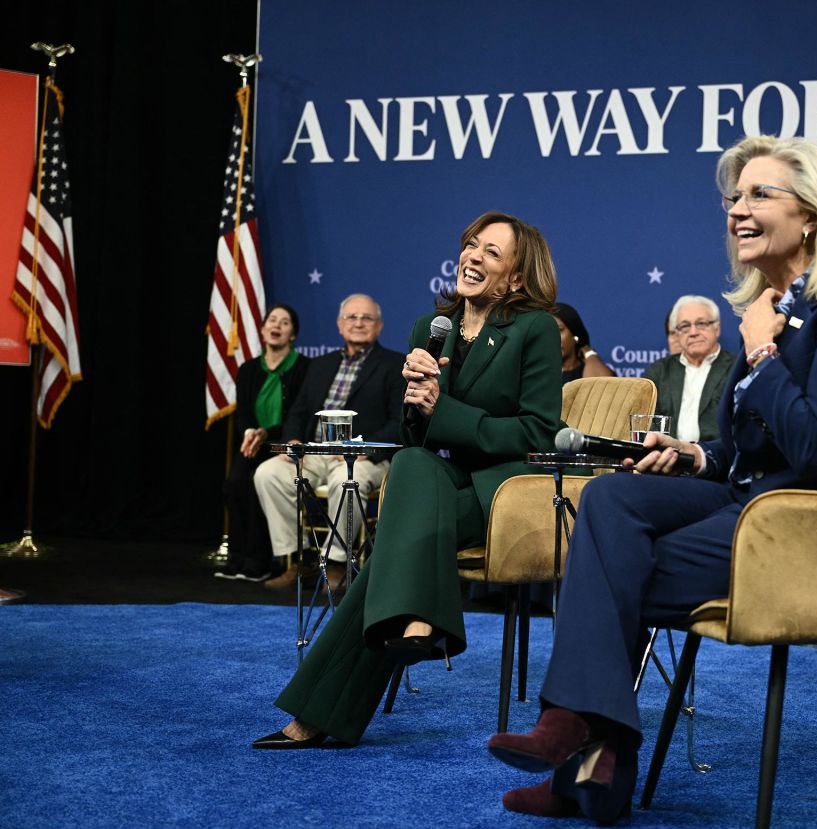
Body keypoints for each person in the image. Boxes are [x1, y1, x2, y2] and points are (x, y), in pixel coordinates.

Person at [486, 135, 817, 824]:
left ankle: (582, 744)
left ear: (812, 215)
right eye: (733, 197)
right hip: (760, 500)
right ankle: (590, 749)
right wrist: (694, 454)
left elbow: (815, 443)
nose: (737, 208)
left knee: (612, 570)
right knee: (612, 497)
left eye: (758, 194)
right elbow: (754, 446)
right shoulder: (782, 307)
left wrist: (763, 349)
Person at [252, 211, 562, 748]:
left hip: (499, 492)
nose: (472, 256)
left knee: (396, 547)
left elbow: (538, 430)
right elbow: (417, 438)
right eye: (470, 245)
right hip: (433, 480)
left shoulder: (532, 329)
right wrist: (418, 409)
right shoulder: (429, 329)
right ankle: (417, 622)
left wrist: (442, 408)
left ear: (515, 276)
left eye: (491, 251)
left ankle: (318, 714)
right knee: (413, 464)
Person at [253, 294, 404, 591]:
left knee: (347, 481)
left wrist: (365, 448)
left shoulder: (394, 365)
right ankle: (301, 560)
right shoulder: (320, 365)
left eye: (366, 318)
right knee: (269, 474)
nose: (358, 323)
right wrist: (293, 440)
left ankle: (336, 565)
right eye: (351, 317)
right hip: (316, 452)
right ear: (339, 325)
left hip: (363, 456)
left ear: (380, 326)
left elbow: (399, 424)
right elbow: (297, 411)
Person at [215, 304, 310, 582]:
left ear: (293, 334)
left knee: (260, 483)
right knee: (234, 484)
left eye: (284, 322)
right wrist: (249, 433)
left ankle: (259, 562)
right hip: (253, 442)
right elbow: (243, 412)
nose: (276, 326)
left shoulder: (304, 368)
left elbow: (299, 414)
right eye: (272, 320)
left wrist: (267, 433)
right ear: (262, 329)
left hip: (284, 444)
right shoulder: (248, 369)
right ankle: (237, 557)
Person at [642, 295, 737, 441]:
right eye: (685, 326)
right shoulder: (658, 372)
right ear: (677, 333)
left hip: (718, 459)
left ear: (717, 328)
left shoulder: (737, 369)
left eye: (701, 323)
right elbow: (646, 422)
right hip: (668, 457)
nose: (693, 333)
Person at [554, 302, 615, 382]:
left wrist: (590, 354)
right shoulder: (538, 372)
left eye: (559, 330)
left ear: (575, 333)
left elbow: (601, 387)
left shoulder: (588, 369)